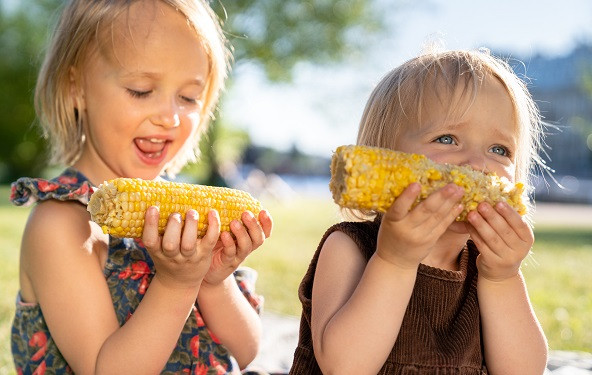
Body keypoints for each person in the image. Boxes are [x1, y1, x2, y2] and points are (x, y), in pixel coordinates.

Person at [9, 0, 273, 373]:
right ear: (76, 88)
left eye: (188, 97)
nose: (169, 116)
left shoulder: (190, 215)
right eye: (140, 90)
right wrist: (177, 284)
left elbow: (247, 351)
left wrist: (213, 283)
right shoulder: (61, 226)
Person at [290, 47, 548, 374]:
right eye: (447, 138)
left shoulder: (487, 267)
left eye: (499, 149)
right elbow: (345, 367)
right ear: (385, 154)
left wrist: (503, 278)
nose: (479, 165)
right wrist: (394, 261)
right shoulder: (350, 247)